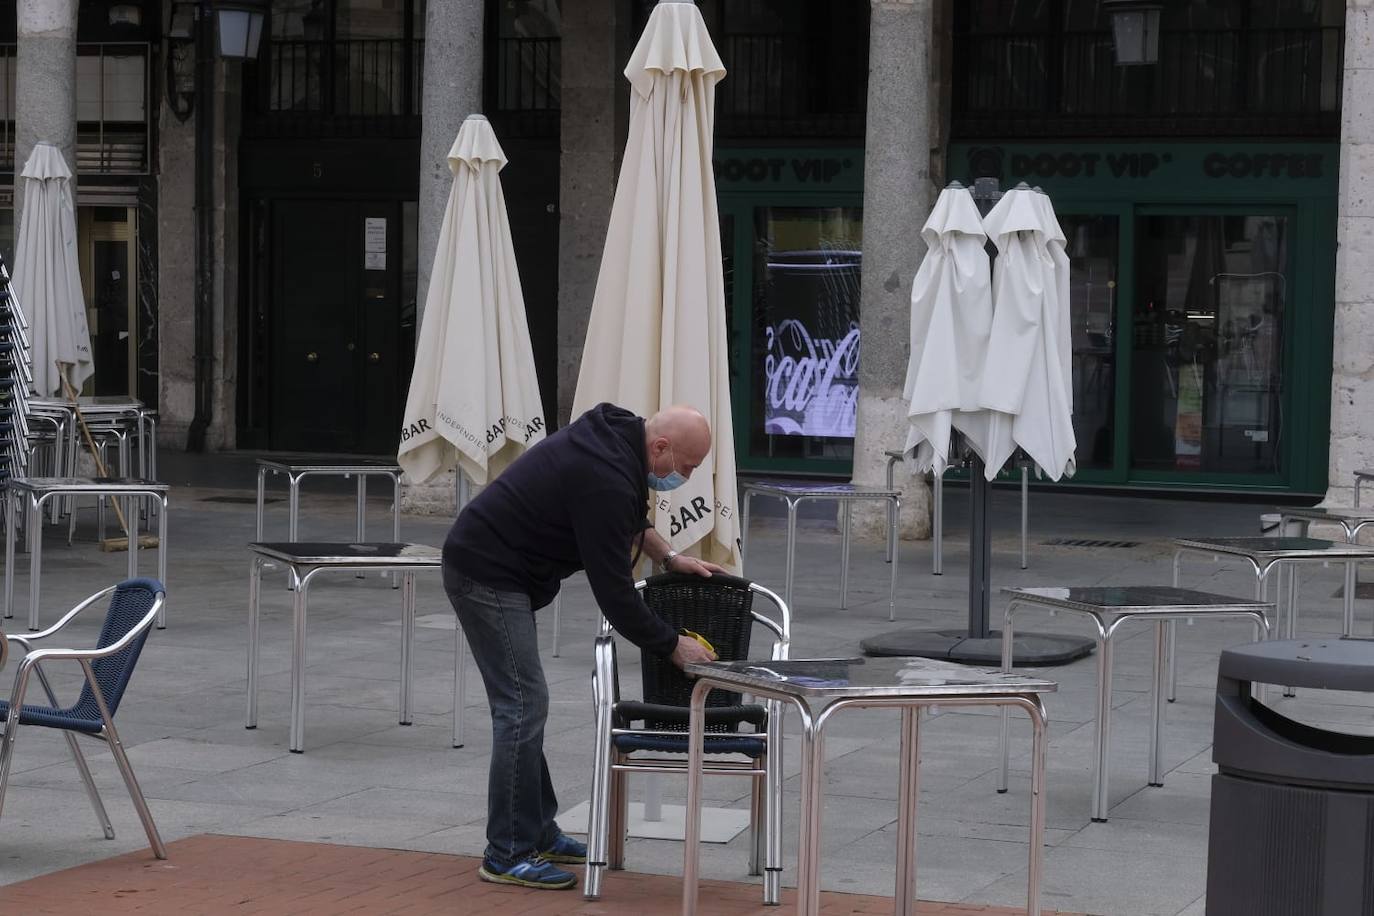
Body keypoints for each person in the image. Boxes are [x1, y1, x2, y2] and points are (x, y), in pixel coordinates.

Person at [443, 402, 724, 890]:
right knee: (522, 705)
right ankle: (507, 851)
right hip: (485, 572)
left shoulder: (618, 440)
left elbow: (632, 521)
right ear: (659, 447)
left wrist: (672, 557)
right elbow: (615, 594)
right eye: (688, 467)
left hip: (499, 567)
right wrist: (672, 645)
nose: (688, 476)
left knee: (525, 704)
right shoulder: (606, 476)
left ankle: (538, 830)